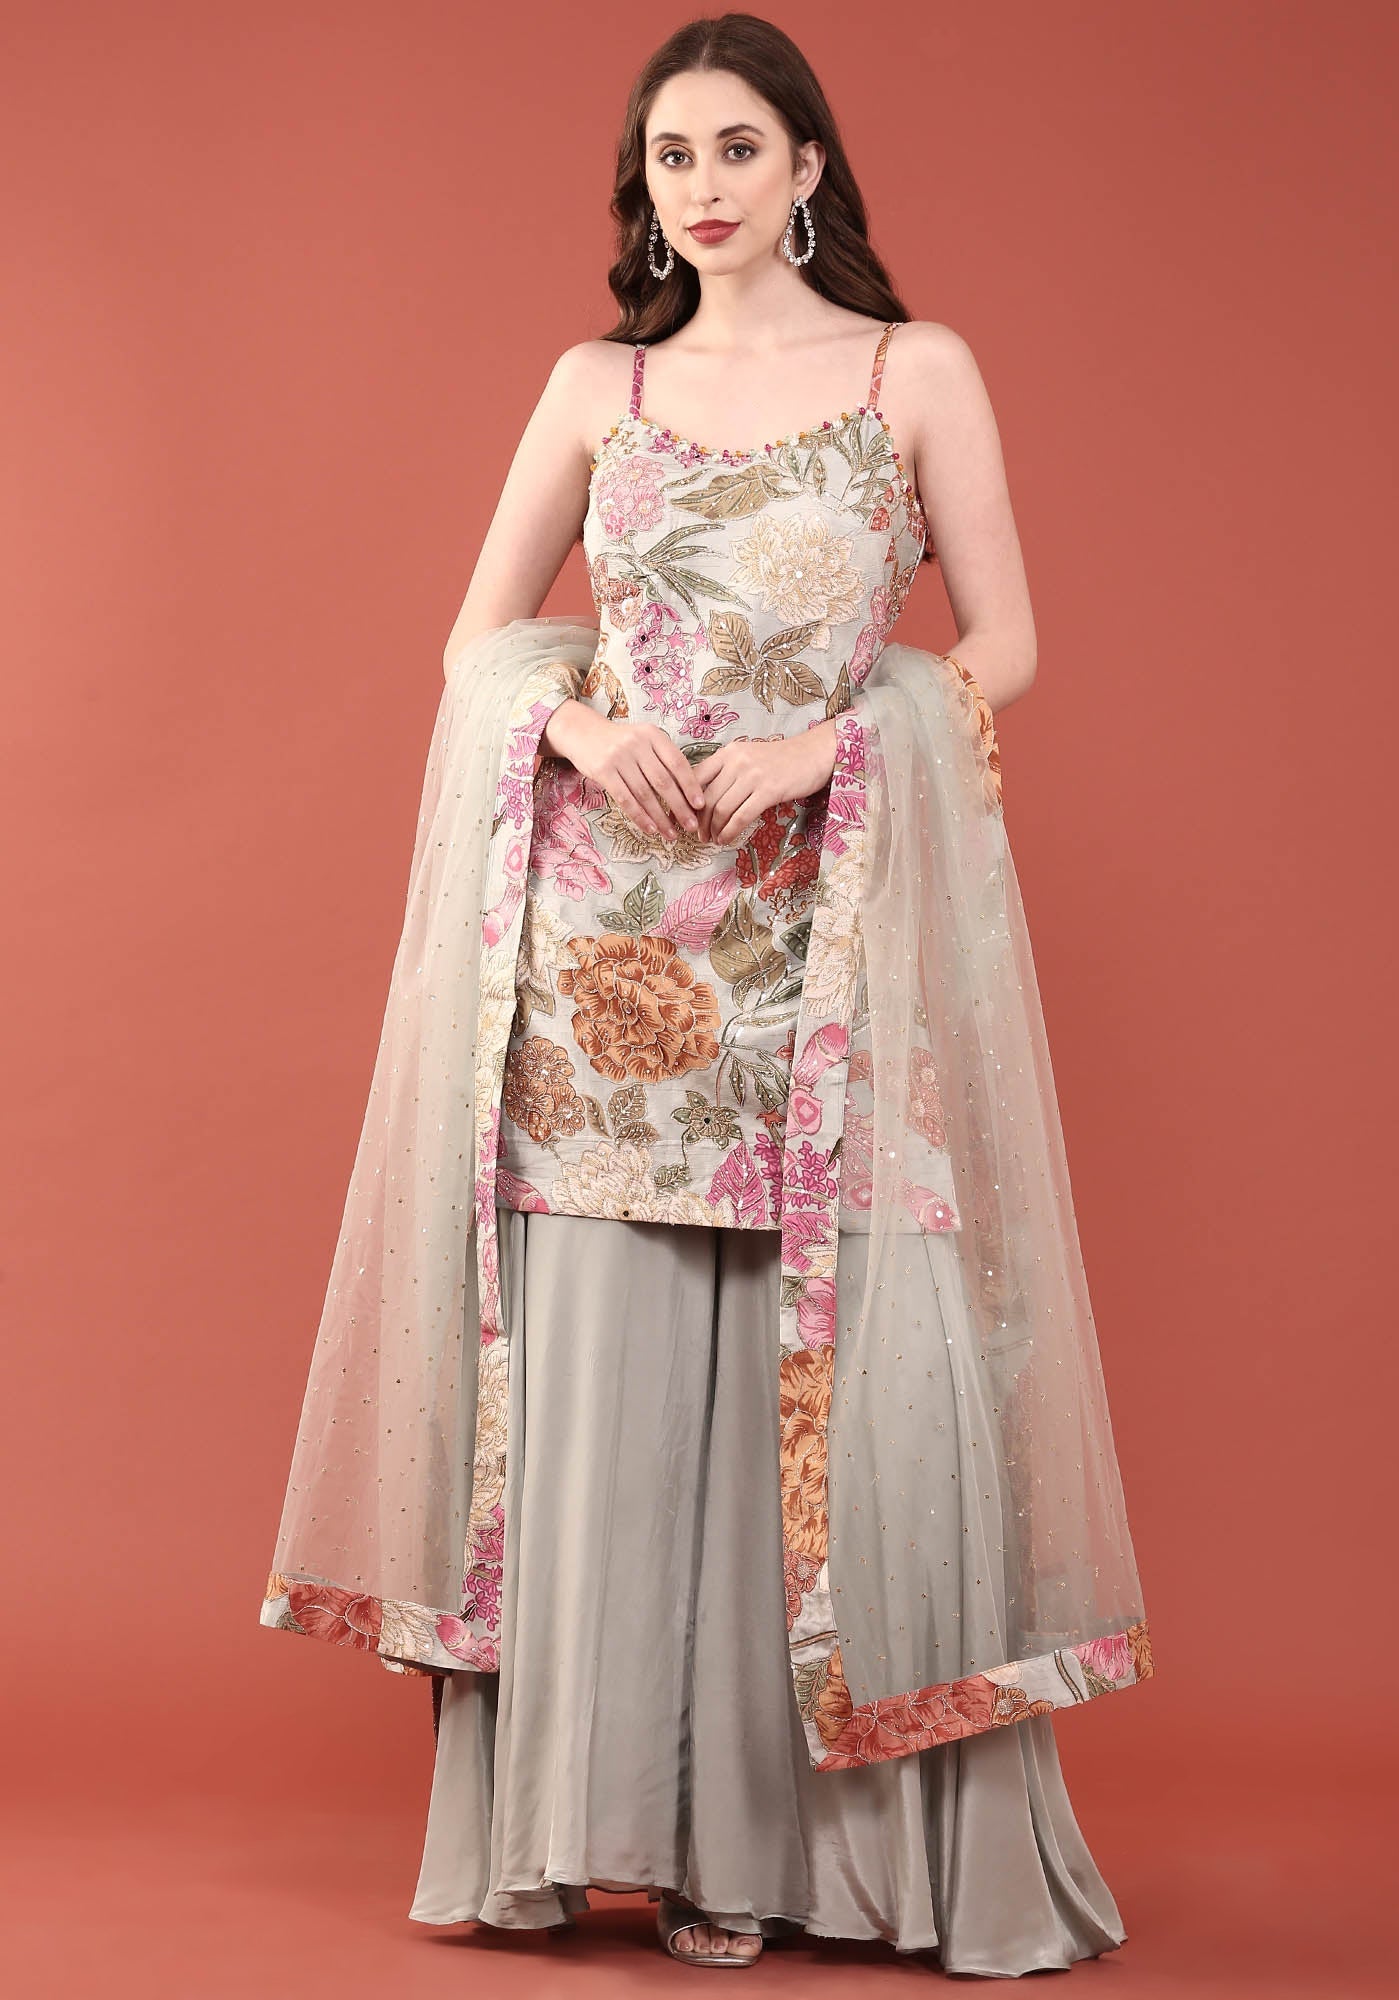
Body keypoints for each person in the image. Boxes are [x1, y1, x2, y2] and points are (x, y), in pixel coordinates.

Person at [259, 12, 1155, 1979]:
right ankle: (614, 1837)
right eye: (673, 157)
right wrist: (579, 729)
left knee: (826, 1381)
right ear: (645, 188)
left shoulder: (917, 372)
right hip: (603, 966)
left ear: (809, 163)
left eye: (740, 147)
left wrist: (841, 741)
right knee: (615, 1387)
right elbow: (476, 640)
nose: (707, 186)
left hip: (828, 931)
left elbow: (1002, 642)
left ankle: (794, 1859)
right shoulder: (600, 384)